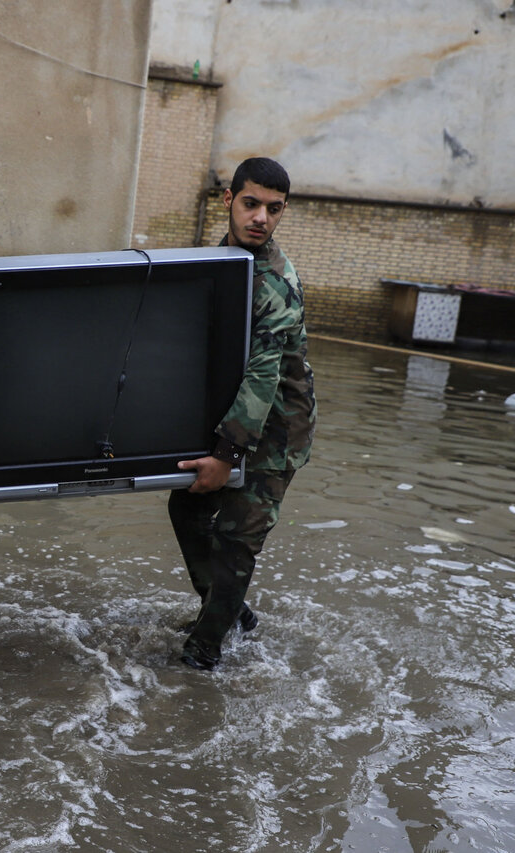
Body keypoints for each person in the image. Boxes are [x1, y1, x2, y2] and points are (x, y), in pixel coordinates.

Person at [169, 156, 316, 671]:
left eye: (274, 210)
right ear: (228, 200)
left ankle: (203, 653)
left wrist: (226, 456)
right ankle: (230, 613)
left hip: (277, 429)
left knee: (236, 539)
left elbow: (262, 374)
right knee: (186, 508)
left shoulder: (275, 283)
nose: (261, 219)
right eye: (251, 204)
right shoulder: (219, 260)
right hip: (231, 416)